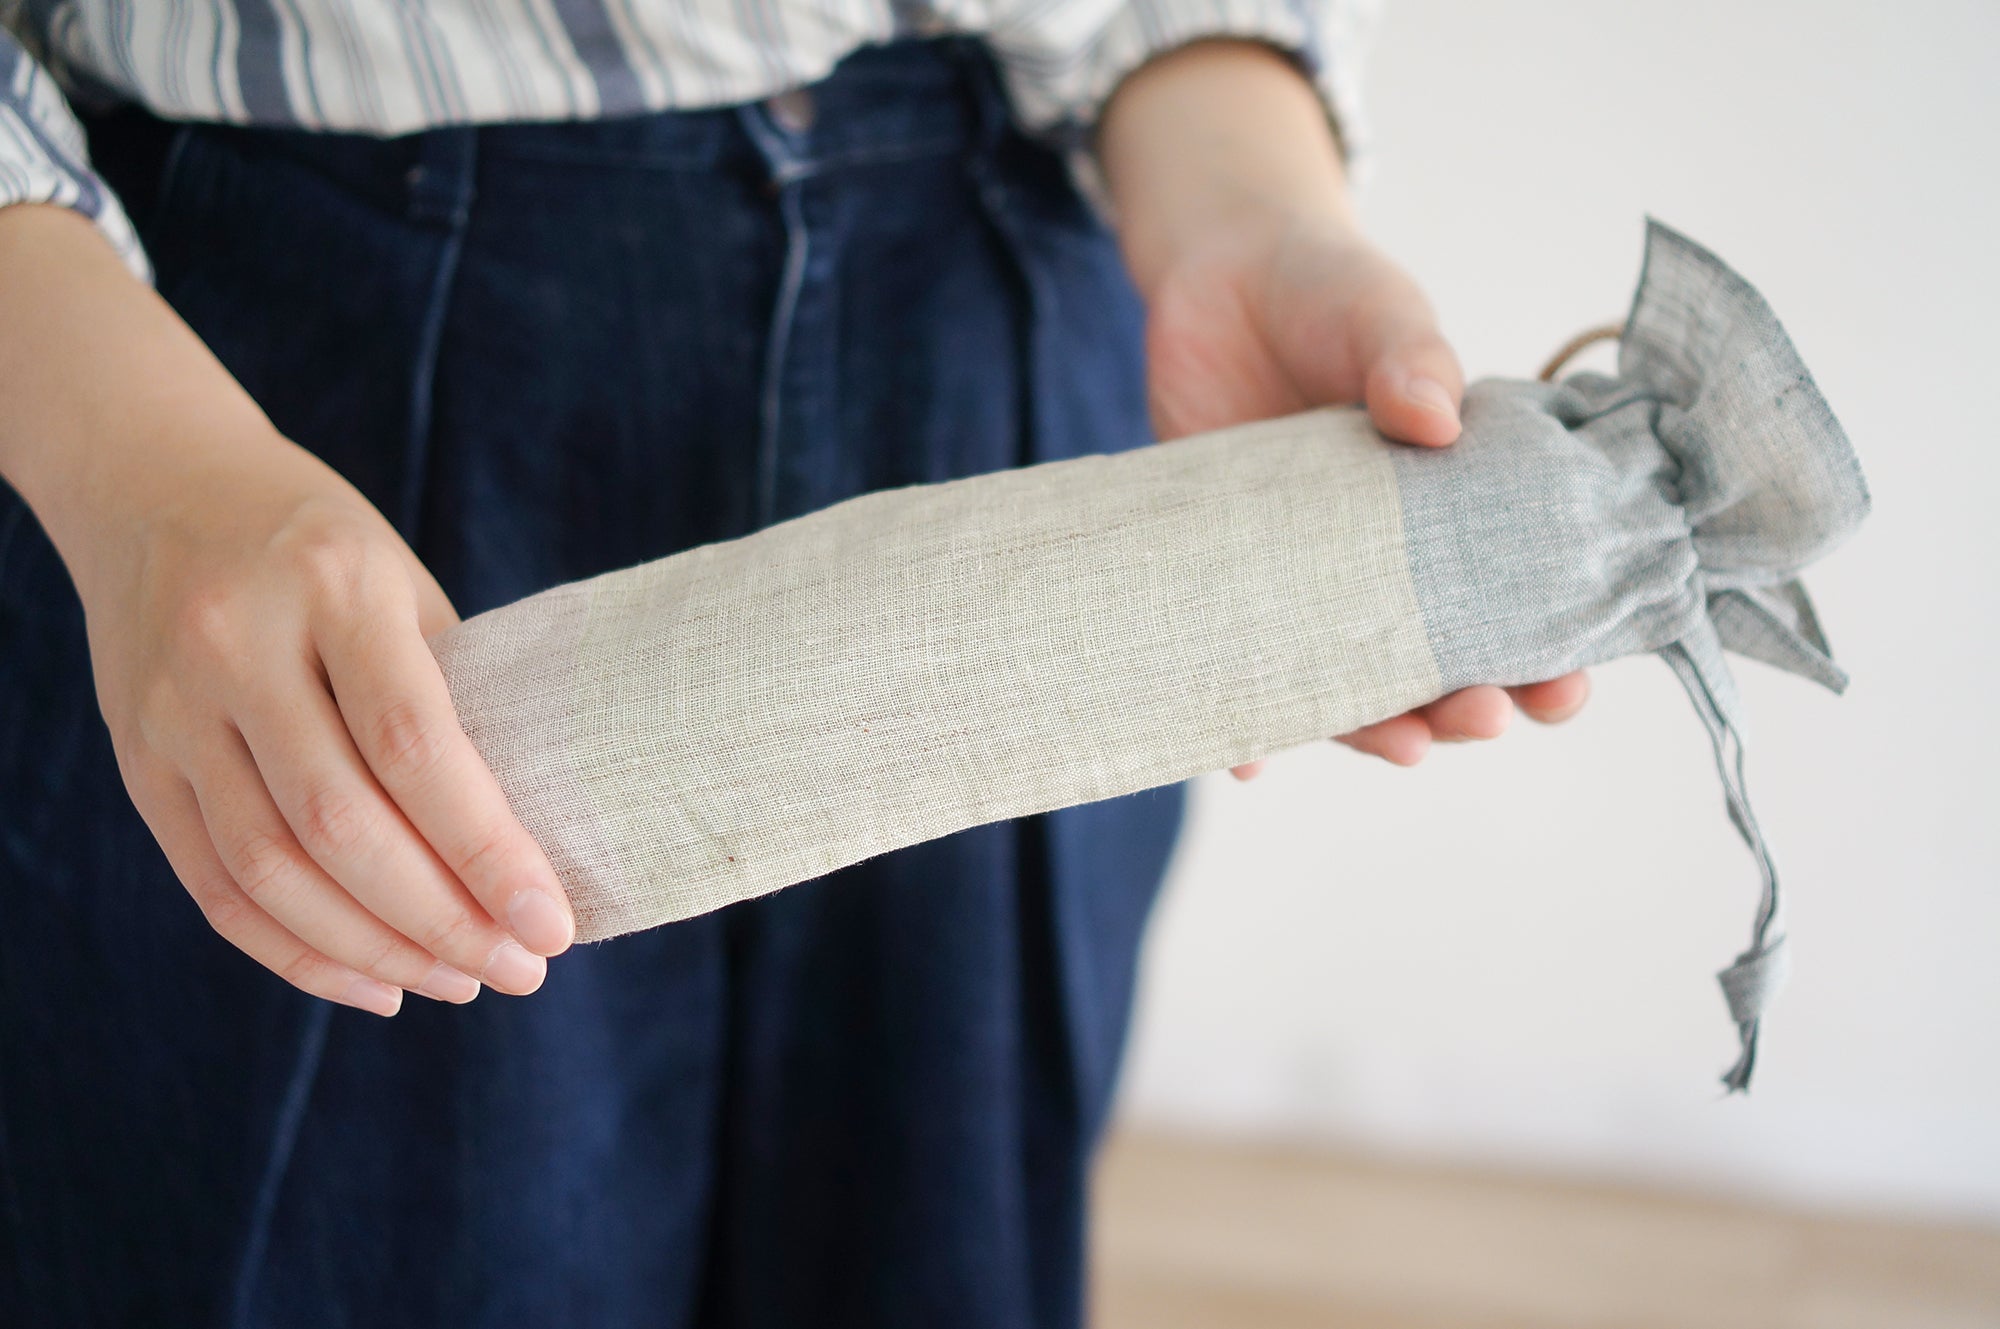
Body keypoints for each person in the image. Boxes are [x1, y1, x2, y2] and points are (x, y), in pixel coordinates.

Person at [0, 5, 1587, 1324]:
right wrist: (144, 470)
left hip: (1010, 334)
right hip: (265, 407)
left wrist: (1252, 203)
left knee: (929, 1252)